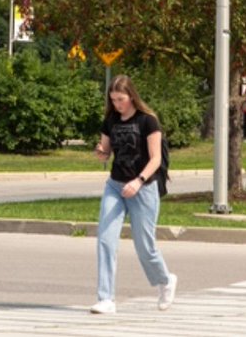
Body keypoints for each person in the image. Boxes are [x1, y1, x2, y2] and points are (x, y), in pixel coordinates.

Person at [91, 74, 177, 315]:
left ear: (131, 96)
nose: (117, 104)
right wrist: (101, 153)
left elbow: (156, 159)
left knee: (144, 246)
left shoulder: (148, 121)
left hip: (143, 188)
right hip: (115, 186)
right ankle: (106, 298)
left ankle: (165, 280)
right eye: (113, 100)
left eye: (121, 99)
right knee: (105, 239)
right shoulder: (111, 120)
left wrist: (139, 181)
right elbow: (106, 150)